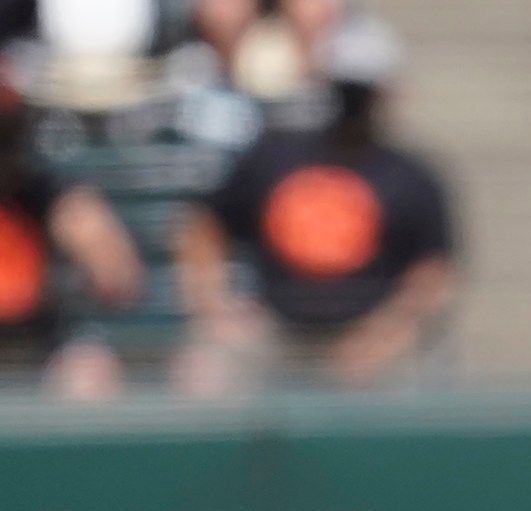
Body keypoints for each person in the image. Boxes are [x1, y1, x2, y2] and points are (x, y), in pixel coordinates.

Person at [174, 15, 455, 392]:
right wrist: (216, 306)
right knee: (206, 367)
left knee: (419, 369)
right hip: (279, 334)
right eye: (346, 90)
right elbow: (202, 228)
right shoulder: (274, 156)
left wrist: (384, 335)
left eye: (361, 91)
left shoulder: (413, 175)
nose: (352, 104)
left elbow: (435, 272)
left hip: (375, 335)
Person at [0, 77, 144, 395]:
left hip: (34, 351)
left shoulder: (42, 192)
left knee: (90, 373)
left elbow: (120, 280)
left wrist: (92, 236)